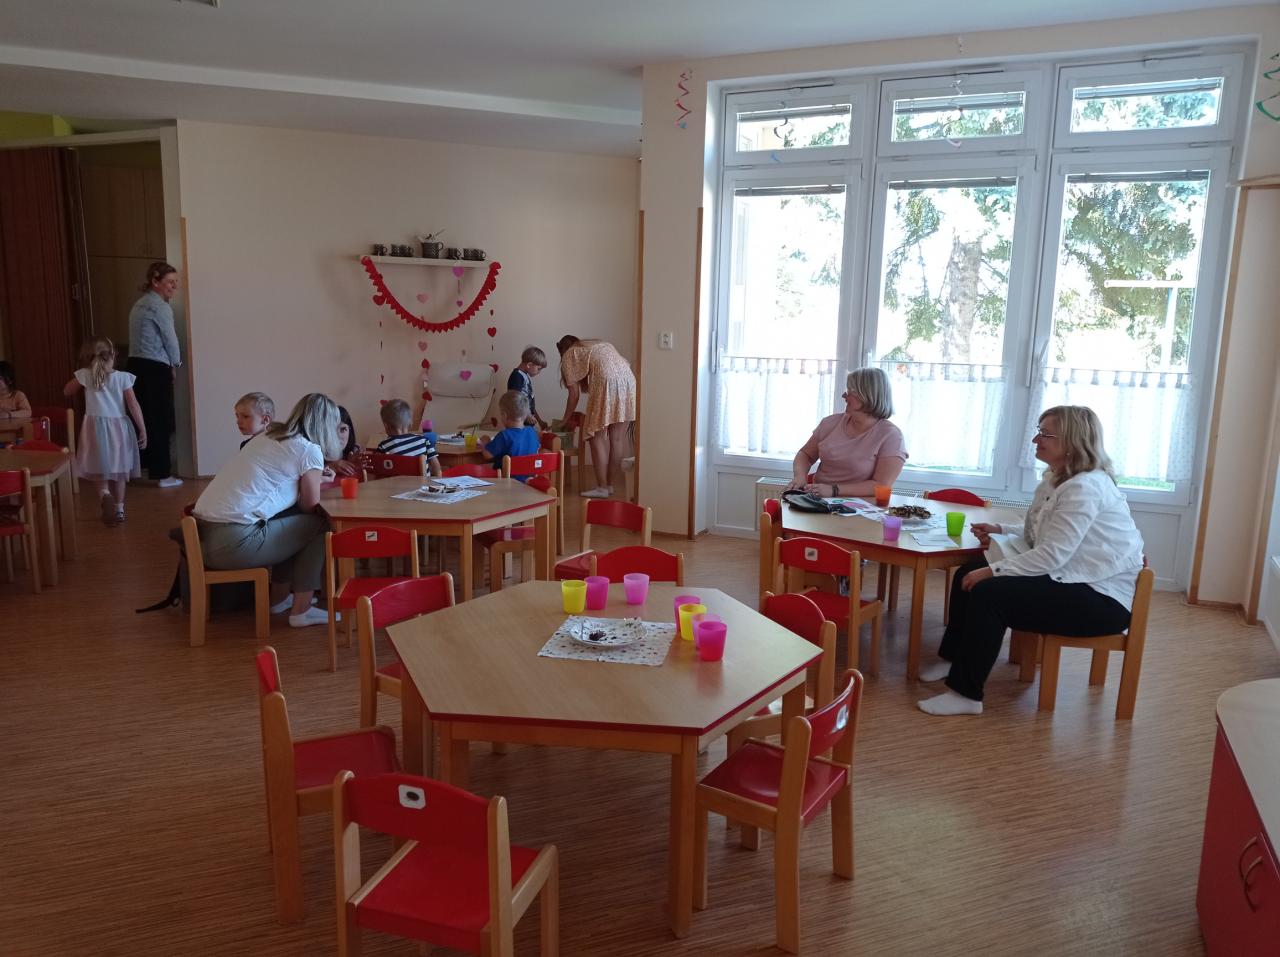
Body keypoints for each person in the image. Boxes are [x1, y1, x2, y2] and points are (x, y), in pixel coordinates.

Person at [916, 406, 1145, 717]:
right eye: (1038, 431)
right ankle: (954, 658)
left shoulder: (1085, 487)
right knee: (968, 572)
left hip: (1101, 599)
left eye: (1045, 434)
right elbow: (1042, 529)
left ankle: (966, 693)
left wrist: (994, 571)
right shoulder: (1057, 478)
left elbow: (1052, 554)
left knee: (989, 594)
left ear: (1072, 442)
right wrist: (1000, 530)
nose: (1036, 440)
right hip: (1073, 578)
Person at [192, 393, 342, 628]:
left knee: (289, 520)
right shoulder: (309, 450)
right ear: (327, 426)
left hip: (202, 538)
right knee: (319, 525)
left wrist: (314, 479)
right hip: (232, 544)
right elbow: (310, 506)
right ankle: (302, 610)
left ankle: (279, 600)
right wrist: (313, 482)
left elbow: (273, 480)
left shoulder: (269, 435)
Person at [787, 367, 907, 499]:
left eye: (850, 391)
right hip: (819, 502)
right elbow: (805, 455)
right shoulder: (830, 423)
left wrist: (834, 490)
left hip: (861, 507)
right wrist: (800, 476)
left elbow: (881, 485)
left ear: (867, 396)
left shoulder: (891, 436)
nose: (844, 395)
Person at [63, 338, 147, 526]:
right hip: (119, 429)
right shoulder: (123, 378)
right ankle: (119, 509)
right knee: (119, 469)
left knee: (98, 467)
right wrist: (142, 429)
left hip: (94, 428)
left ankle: (104, 494)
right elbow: (133, 405)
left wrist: (84, 376)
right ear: (113, 355)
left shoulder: (86, 374)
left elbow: (67, 391)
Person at [556, 334, 637, 499]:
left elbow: (574, 395)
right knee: (617, 439)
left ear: (562, 349)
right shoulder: (597, 345)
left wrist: (565, 419)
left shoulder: (569, 354)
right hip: (629, 380)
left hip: (607, 380)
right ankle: (609, 485)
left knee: (595, 437)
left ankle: (602, 488)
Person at [127, 262, 183, 487]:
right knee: (160, 420)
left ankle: (141, 466)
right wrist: (176, 363)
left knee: (141, 418)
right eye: (170, 282)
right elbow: (170, 339)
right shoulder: (160, 307)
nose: (174, 286)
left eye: (175, 282)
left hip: (135, 366)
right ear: (155, 281)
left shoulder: (139, 304)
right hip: (154, 368)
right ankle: (162, 474)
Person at [480, 391, 541, 479]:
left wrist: (484, 443)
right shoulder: (532, 432)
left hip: (509, 482)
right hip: (529, 481)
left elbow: (487, 455)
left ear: (504, 416)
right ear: (525, 415)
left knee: (483, 469)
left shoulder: (505, 435)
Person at [376, 399, 443, 476]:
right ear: (410, 423)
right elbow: (435, 466)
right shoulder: (423, 440)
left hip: (398, 484)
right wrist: (438, 480)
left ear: (386, 426)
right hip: (424, 483)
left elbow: (378, 470)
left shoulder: (384, 446)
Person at [507, 346, 548, 429]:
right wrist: (526, 415)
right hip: (519, 424)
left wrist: (539, 421)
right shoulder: (517, 376)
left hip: (526, 423)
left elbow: (529, 403)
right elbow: (513, 400)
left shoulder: (524, 376)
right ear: (529, 365)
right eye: (538, 369)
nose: (539, 372)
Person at [327, 405, 365, 477]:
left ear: (349, 431)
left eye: (343, 429)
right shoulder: (313, 454)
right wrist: (331, 467)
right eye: (331, 430)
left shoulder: (355, 452)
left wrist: (352, 466)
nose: (337, 436)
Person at [0, 361, 31, 425]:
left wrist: (8, 414)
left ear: (9, 381)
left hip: (15, 428)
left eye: (0, 378)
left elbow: (28, 412)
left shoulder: (17, 395)